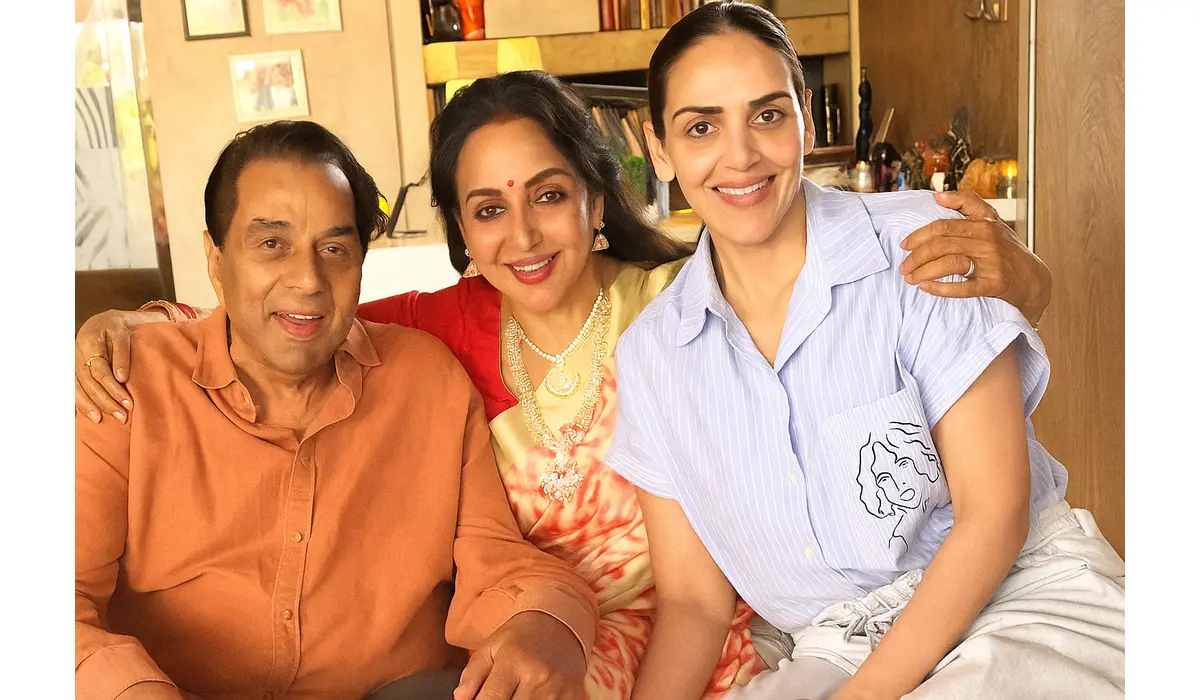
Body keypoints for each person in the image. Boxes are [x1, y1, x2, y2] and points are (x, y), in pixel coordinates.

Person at [74, 71, 1053, 698]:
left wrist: (1031, 281)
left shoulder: (691, 303)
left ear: (596, 198)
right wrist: (139, 326)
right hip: (561, 651)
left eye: (547, 195)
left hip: (746, 621)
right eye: (487, 210)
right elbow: (298, 322)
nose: (524, 234)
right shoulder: (440, 329)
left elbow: (867, 298)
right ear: (463, 233)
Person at [603, 4, 1125, 700]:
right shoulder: (653, 357)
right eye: (701, 127)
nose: (740, 155)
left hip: (1025, 600)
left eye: (768, 115)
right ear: (658, 147)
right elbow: (695, 605)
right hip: (833, 646)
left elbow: (994, 514)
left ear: (809, 121)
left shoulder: (921, 246)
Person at [75, 120, 597, 700]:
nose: (307, 279)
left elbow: (494, 559)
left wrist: (548, 622)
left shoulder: (426, 381)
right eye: (271, 244)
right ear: (215, 260)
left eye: (335, 249)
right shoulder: (123, 383)